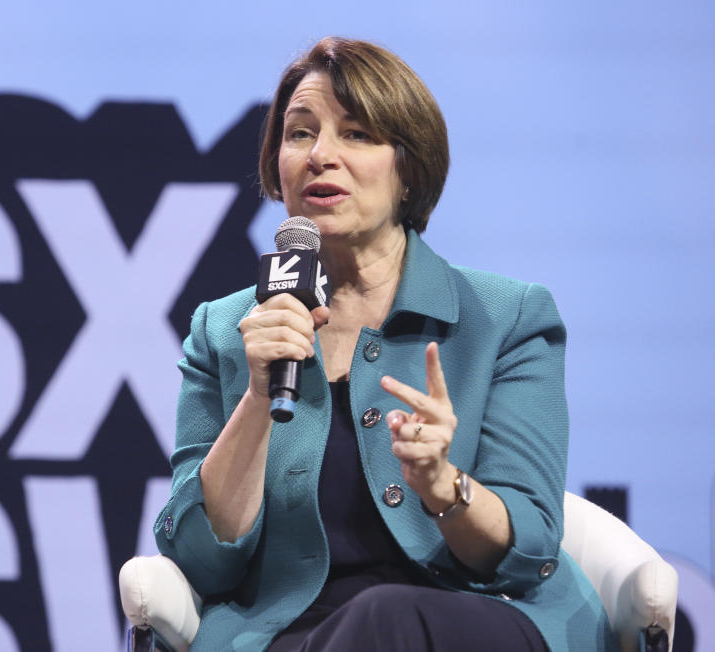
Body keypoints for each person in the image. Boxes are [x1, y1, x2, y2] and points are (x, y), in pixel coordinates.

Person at [154, 37, 616, 651]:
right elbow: (201, 562)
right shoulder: (226, 329)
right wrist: (258, 399)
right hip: (290, 635)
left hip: (466, 622)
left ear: (409, 170)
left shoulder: (505, 318)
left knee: (385, 617)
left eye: (357, 134)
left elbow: (528, 547)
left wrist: (441, 483)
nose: (321, 156)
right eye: (299, 133)